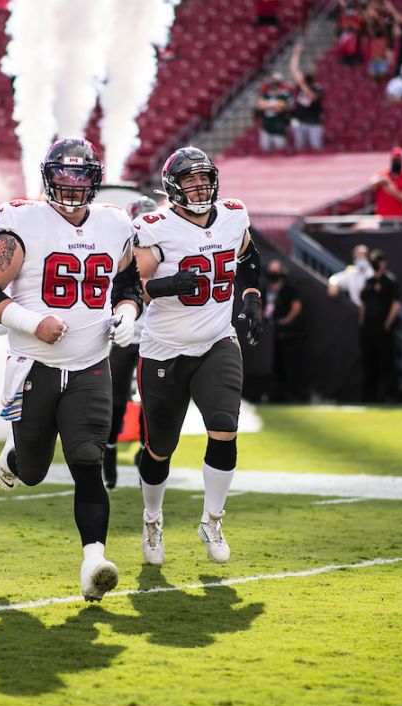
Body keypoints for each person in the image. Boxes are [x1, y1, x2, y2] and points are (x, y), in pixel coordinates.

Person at [0, 137, 143, 602]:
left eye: (81, 176)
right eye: (63, 176)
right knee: (33, 472)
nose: (71, 185)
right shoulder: (23, 222)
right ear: (48, 178)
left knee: (89, 460)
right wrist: (32, 321)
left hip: (90, 364)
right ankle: (14, 453)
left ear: (95, 180)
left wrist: (127, 315)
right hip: (34, 365)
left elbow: (129, 284)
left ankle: (93, 562)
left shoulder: (114, 223)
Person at [131, 146, 264, 567]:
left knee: (224, 427)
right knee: (159, 449)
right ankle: (152, 518)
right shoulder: (155, 226)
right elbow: (134, 287)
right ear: (173, 186)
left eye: (204, 177)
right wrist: (170, 285)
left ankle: (212, 519)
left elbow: (248, 255)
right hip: (164, 349)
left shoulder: (233, 214)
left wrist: (252, 298)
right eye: (189, 179)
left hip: (216, 341)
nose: (199, 185)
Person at [102, 194, 163, 490]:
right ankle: (109, 451)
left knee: (150, 400)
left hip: (154, 338)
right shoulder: (119, 252)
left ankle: (144, 452)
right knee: (114, 401)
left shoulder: (166, 252)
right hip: (124, 337)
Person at [359, 249, 400, 402]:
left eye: (378, 261)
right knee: (369, 362)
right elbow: (363, 304)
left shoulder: (390, 281)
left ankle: (390, 395)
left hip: (383, 328)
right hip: (368, 329)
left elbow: (396, 304)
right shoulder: (368, 282)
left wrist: (388, 323)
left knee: (387, 362)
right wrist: (362, 324)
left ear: (384, 263)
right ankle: (369, 396)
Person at [263, 259, 306, 402]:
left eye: (276, 270)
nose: (273, 273)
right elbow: (259, 306)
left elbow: (296, 306)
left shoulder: (289, 288)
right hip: (270, 333)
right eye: (271, 270)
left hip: (288, 333)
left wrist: (286, 320)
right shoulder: (266, 288)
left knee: (290, 365)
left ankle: (292, 395)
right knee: (275, 366)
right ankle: (275, 396)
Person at [288, 42, 325, 152]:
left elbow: (312, 97)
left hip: (314, 122)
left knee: (315, 148)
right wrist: (296, 54)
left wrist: (303, 85)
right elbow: (293, 70)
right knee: (299, 148)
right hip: (300, 121)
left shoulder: (318, 88)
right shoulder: (302, 83)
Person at [373, 147, 402, 228]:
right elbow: (372, 183)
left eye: (398, 160)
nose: (396, 162)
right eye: (395, 159)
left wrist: (391, 187)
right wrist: (380, 182)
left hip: (398, 219)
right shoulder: (383, 174)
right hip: (383, 219)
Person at [256, 73, 291, 154]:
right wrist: (274, 105)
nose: (273, 91)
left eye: (275, 89)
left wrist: (267, 105)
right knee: (265, 151)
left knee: (280, 151)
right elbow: (259, 106)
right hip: (266, 127)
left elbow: (280, 109)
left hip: (279, 128)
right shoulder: (265, 95)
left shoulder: (283, 95)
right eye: (272, 89)